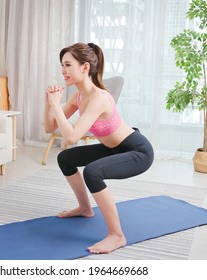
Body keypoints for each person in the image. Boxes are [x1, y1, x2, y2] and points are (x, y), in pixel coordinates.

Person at [43, 42, 154, 254]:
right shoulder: (78, 97)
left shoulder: (99, 98)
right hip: (112, 148)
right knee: (65, 158)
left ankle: (117, 236)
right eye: (62, 65)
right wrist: (48, 102)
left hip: (137, 151)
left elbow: (72, 137)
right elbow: (50, 127)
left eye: (67, 65)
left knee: (93, 172)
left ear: (84, 67)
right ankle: (85, 208)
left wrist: (56, 105)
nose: (63, 70)